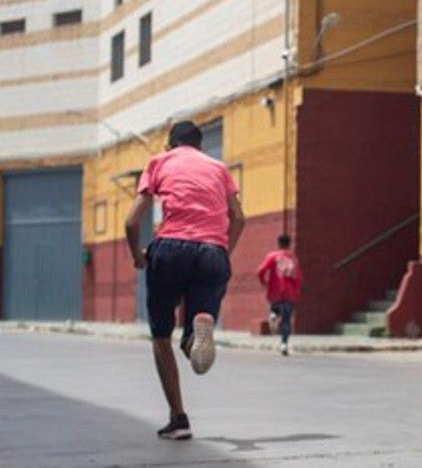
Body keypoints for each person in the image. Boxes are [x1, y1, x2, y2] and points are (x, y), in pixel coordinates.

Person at [125, 119, 245, 441]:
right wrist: (223, 251)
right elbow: (239, 218)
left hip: (169, 249)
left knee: (161, 336)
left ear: (170, 145)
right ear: (200, 146)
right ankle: (195, 338)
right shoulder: (218, 168)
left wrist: (138, 254)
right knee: (196, 326)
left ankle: (178, 419)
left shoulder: (159, 162)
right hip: (211, 252)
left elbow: (131, 221)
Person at [257, 232, 302, 355]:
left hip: (276, 291)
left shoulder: (273, 256)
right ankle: (284, 344)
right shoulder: (294, 259)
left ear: (278, 243)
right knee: (286, 320)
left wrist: (264, 282)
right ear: (289, 244)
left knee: (275, 306)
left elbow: (261, 270)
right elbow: (298, 277)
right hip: (290, 293)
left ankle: (274, 314)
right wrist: (297, 291)